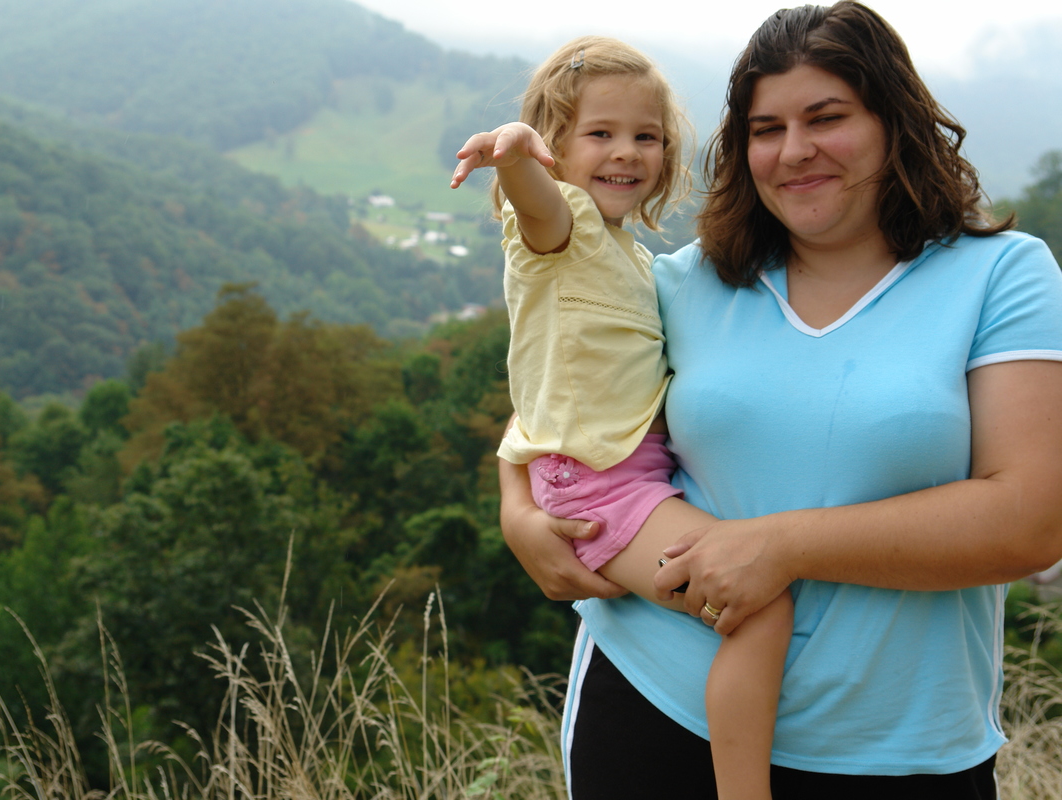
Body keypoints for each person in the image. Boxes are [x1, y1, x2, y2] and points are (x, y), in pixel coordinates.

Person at [498, 4, 1062, 799]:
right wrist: (515, 509)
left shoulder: (1001, 275)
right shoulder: (684, 283)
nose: (795, 151)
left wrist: (784, 547)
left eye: (826, 118)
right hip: (655, 711)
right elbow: (566, 394)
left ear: (894, 122)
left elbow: (1031, 522)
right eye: (766, 129)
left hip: (899, 746)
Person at [451, 36, 792, 800]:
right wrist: (515, 157)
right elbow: (538, 208)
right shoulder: (561, 228)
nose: (626, 153)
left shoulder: (633, 255)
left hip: (628, 477)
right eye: (600, 134)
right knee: (759, 607)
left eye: (646, 137)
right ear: (556, 146)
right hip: (600, 491)